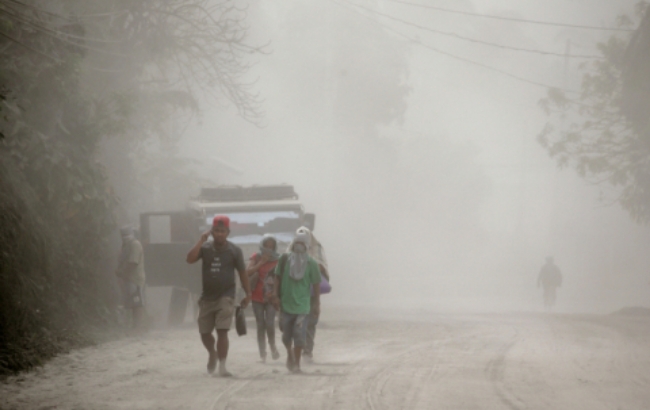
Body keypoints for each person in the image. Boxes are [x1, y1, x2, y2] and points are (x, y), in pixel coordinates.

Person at [186, 215, 252, 376]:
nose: (220, 234)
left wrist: (248, 293)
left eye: (223, 231)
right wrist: (201, 240)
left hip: (226, 296)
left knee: (222, 331)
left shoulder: (235, 251)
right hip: (207, 297)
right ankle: (212, 353)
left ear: (228, 232)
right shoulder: (206, 248)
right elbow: (189, 259)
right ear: (212, 232)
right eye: (216, 231)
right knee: (204, 332)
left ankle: (222, 367)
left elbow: (242, 273)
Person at [271, 229, 321, 373]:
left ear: (306, 245)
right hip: (286, 305)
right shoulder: (284, 259)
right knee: (286, 336)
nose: (299, 245)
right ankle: (289, 354)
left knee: (299, 335)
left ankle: (297, 363)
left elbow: (316, 284)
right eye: (296, 242)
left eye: (302, 243)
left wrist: (317, 304)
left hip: (303, 307)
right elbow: (277, 276)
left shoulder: (312, 263)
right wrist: (275, 294)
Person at [295, 227, 330, 363]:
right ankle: (297, 351)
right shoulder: (291, 249)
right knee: (296, 322)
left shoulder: (316, 247)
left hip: (311, 293)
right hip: (295, 292)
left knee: (310, 322)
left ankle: (307, 351)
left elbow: (321, 266)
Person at [246, 234, 281, 362]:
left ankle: (273, 348)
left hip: (271, 297)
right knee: (260, 325)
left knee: (270, 324)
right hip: (257, 297)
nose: (269, 249)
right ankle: (262, 354)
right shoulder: (256, 257)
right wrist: (261, 262)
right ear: (262, 245)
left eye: (272, 246)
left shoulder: (279, 260)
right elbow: (247, 272)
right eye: (266, 246)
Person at [115, 226, 147, 332]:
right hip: (128, 279)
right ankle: (133, 326)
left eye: (126, 235)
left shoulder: (135, 245)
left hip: (135, 279)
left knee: (137, 303)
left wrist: (122, 272)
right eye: (123, 235)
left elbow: (133, 263)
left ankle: (138, 327)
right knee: (132, 303)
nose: (125, 237)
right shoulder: (126, 245)